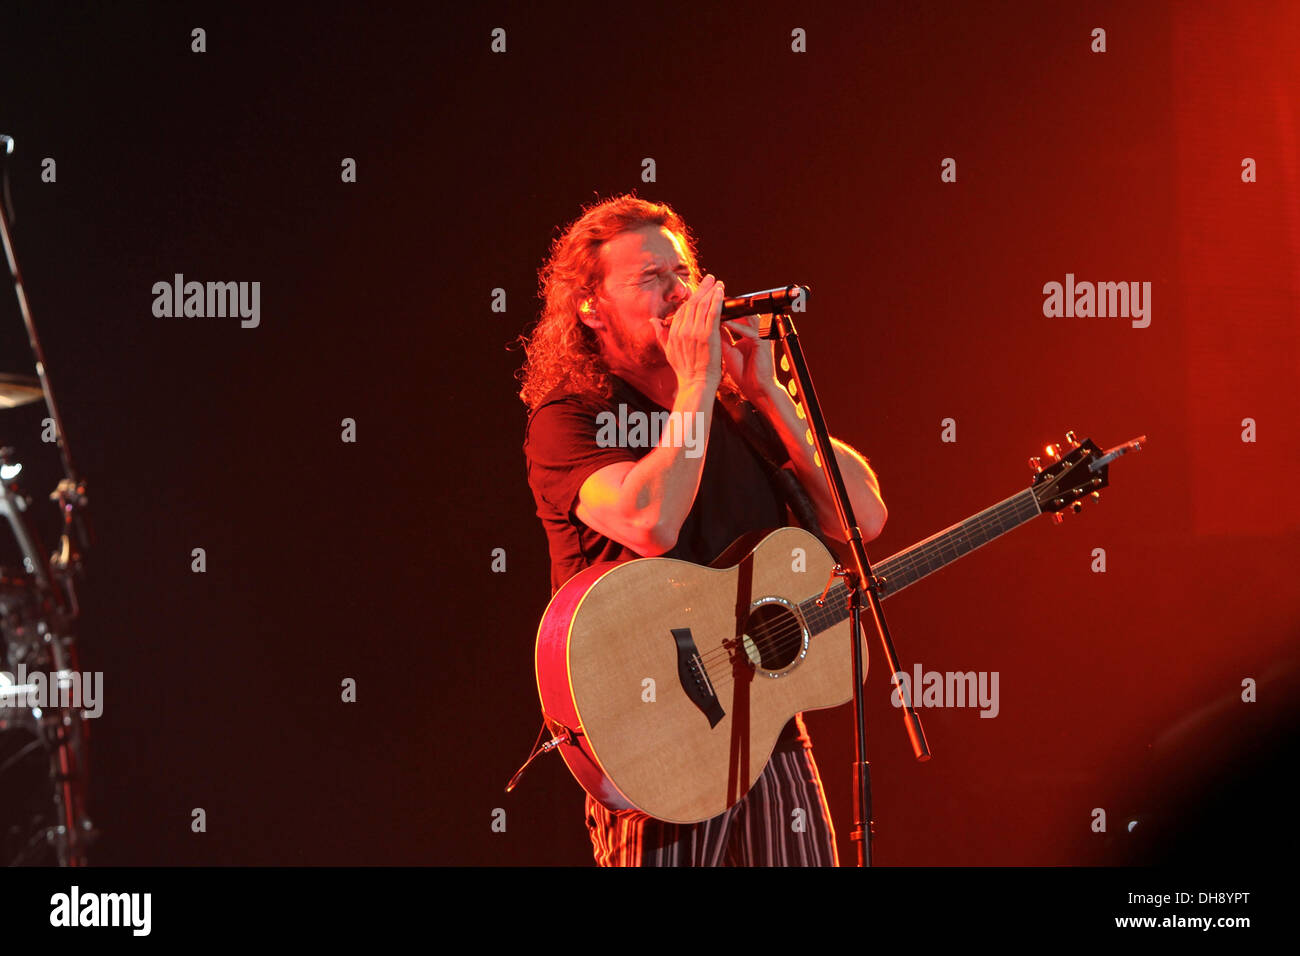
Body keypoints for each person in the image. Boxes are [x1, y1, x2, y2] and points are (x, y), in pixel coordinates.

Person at [519, 194, 887, 866]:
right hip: (652, 739)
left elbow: (860, 518)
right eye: (650, 279)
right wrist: (696, 385)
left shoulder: (734, 404)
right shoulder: (571, 419)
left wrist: (770, 395)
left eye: (683, 271)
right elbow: (650, 521)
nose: (679, 292)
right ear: (591, 307)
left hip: (767, 729)